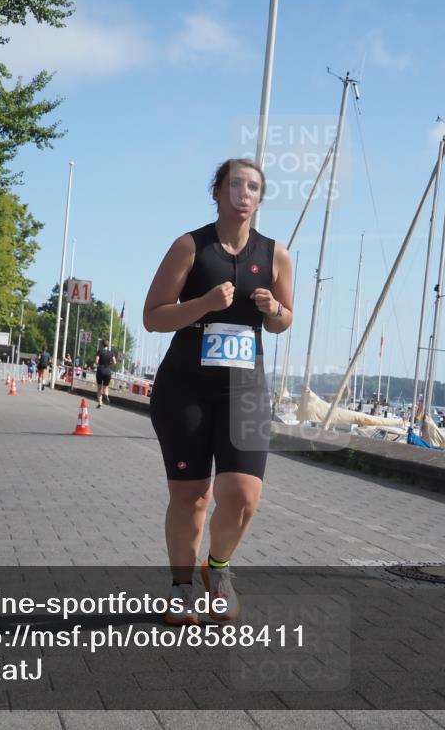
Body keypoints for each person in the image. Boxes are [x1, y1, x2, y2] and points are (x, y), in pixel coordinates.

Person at [143, 158, 293, 625]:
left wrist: (274, 312)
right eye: (235, 185)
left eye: (254, 187)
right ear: (217, 192)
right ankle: (181, 587)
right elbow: (153, 316)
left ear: (260, 199)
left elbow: (286, 320)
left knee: (244, 494)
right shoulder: (189, 246)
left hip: (245, 390)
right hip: (185, 387)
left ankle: (219, 568)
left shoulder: (276, 255)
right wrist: (204, 304)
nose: (244, 194)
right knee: (192, 497)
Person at [94, 339, 116, 408]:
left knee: (99, 388)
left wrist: (100, 363)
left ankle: (100, 403)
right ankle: (106, 396)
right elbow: (115, 362)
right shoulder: (111, 353)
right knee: (106, 388)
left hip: (100, 370)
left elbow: (96, 361)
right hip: (108, 371)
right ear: (108, 345)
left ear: (102, 344)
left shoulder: (99, 351)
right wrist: (109, 363)